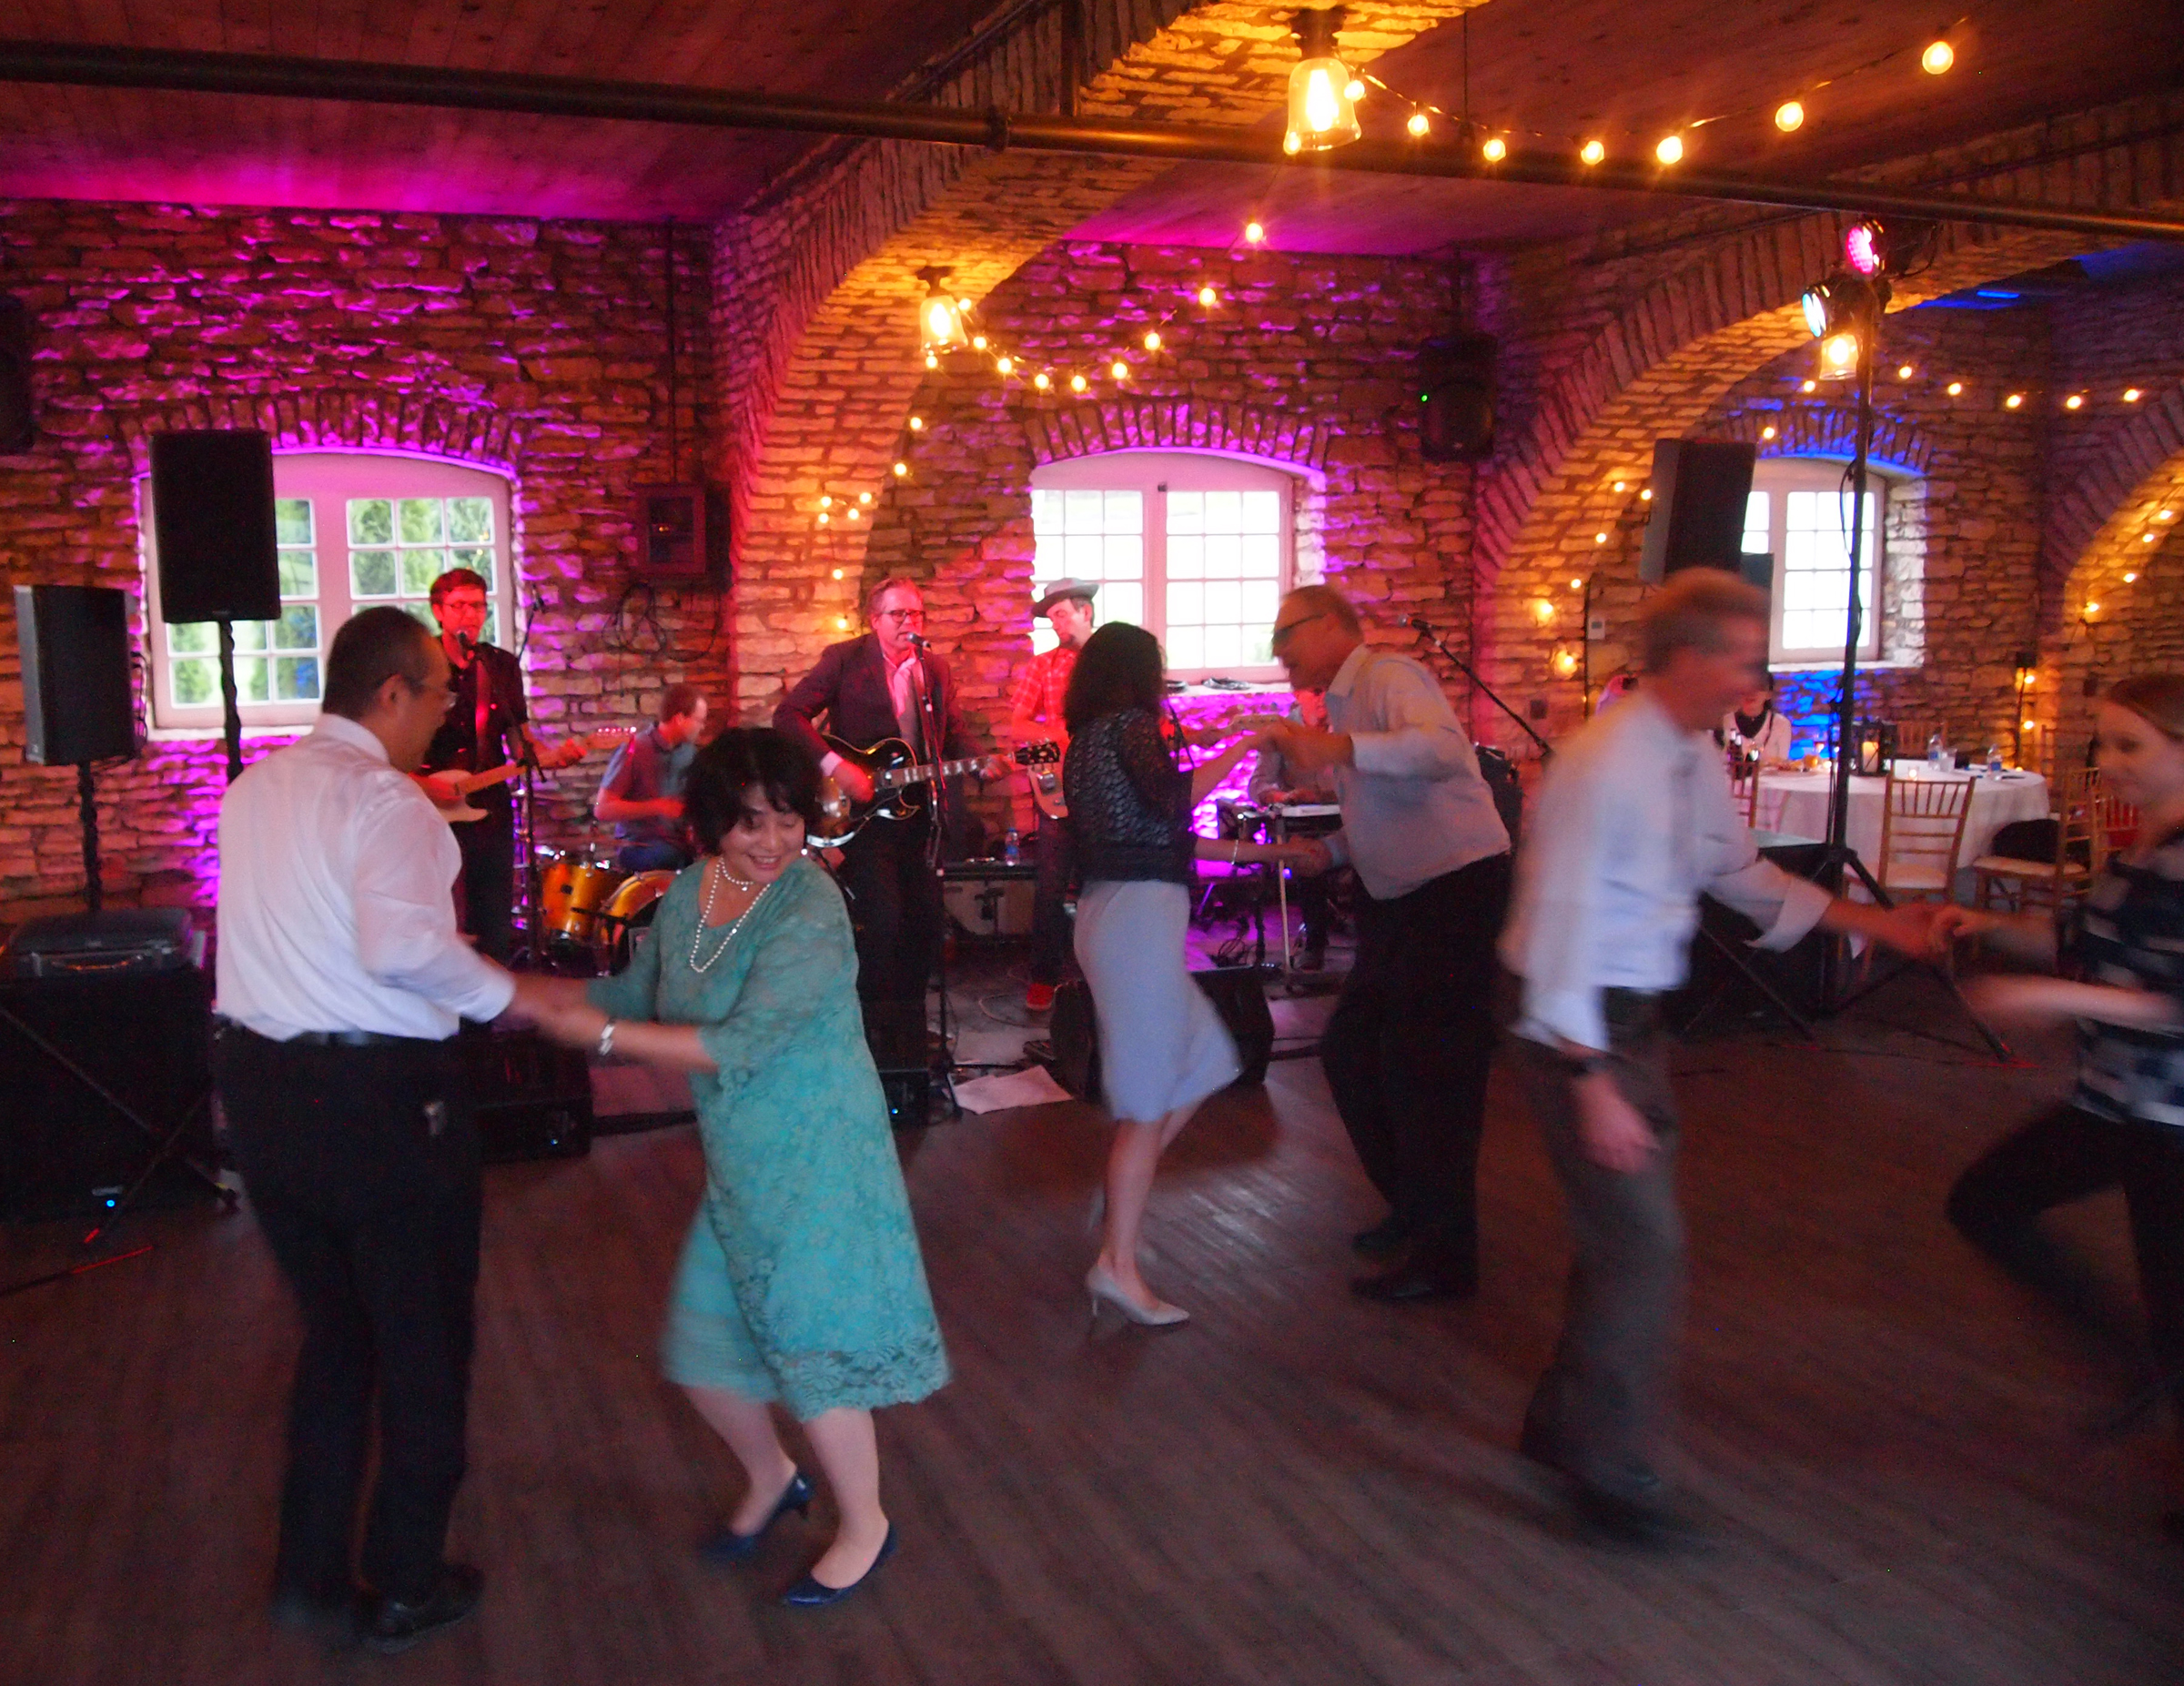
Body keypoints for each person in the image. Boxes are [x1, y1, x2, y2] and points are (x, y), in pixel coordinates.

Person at [1499, 570, 1938, 1548]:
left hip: (1621, 1018)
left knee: (1623, 1240)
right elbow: (1564, 926)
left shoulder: (1688, 752)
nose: (1755, 679)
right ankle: (1608, 1469)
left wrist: (1879, 924)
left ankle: (1563, 1425)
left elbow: (1734, 872)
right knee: (1644, 1246)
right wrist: (1591, 1079)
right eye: (1741, 659)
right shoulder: (1604, 764)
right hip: (1575, 1023)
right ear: (1689, 657)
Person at [525, 728, 949, 1604]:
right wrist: (541, 997)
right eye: (752, 821)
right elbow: (637, 994)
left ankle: (866, 1523)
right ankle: (772, 1477)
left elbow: (739, 1042)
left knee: (810, 1349)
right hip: (742, 1158)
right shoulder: (690, 891)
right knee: (702, 1351)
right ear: (714, 821)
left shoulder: (809, 905)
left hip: (820, 1153)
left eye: (789, 820)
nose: (773, 840)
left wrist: (602, 1034)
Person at [214, 607, 552, 1652]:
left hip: (259, 1093)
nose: (447, 714)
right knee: (423, 1343)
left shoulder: (251, 789)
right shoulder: (386, 800)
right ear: (393, 691)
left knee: (337, 1335)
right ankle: (406, 1578)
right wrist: (515, 994)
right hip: (378, 1104)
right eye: (440, 694)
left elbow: (313, 932)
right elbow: (403, 949)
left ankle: (310, 1576)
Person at [1936, 673, 2184, 1543]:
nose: (2110, 762)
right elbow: (2085, 939)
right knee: (1985, 1202)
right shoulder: (2143, 847)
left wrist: (2050, 998)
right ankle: (2139, 1366)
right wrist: (1986, 925)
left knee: (2175, 1304)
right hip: (2114, 1101)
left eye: (2131, 745)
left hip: (2170, 1116)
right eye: (2104, 743)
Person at [1267, 585, 1513, 1303]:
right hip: (1402, 898)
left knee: (1431, 1075)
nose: (1278, 651)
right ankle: (1418, 1209)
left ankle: (1446, 1255)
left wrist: (1337, 747)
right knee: (1352, 1051)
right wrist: (1333, 850)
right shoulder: (1346, 701)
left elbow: (1440, 751)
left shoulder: (1389, 676)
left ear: (1332, 624)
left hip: (1453, 891)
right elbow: (1387, 803)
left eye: (1286, 634)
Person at [1064, 622, 1301, 1326]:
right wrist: (1244, 743)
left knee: (1206, 1059)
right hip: (1136, 924)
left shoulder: (1085, 741)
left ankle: (1120, 1197)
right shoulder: (1130, 728)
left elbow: (1165, 833)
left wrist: (1269, 855)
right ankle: (1116, 1264)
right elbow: (1175, 800)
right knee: (1146, 1104)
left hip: (1113, 914)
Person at [774, 578, 1007, 1007]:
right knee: (882, 923)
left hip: (920, 815)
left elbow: (952, 732)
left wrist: (980, 760)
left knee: (924, 928)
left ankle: (911, 1032)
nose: (908, 622)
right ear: (874, 620)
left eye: (915, 613)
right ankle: (871, 1024)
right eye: (897, 614)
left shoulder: (933, 668)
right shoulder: (845, 659)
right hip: (864, 815)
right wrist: (837, 767)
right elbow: (789, 715)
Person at [414, 568, 588, 963]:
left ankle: (488, 990)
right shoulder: (421, 665)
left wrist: (554, 756)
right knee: (437, 910)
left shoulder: (499, 666)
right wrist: (424, 785)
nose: (470, 615)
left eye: (478, 606)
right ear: (438, 611)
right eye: (459, 606)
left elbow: (519, 739)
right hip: (430, 804)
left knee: (492, 912)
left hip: (490, 803)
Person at [1006, 579, 1098, 1013]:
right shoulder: (1043, 666)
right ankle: (1044, 977)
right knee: (1051, 885)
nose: (1056, 624)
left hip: (1105, 788)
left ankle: (1102, 974)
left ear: (1085, 612)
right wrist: (1058, 733)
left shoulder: (1113, 665)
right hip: (1061, 787)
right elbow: (1018, 726)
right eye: (1052, 618)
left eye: (1061, 614)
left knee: (1103, 883)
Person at [1247, 687, 1339, 971]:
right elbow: (1258, 784)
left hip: (1346, 813)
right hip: (1304, 820)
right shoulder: (1282, 732)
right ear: (1299, 694)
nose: (1324, 698)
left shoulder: (1346, 726)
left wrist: (1323, 794)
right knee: (1306, 853)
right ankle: (1315, 943)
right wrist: (1283, 797)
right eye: (1316, 691)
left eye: (1329, 690)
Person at [594, 683, 709, 872]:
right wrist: (657, 806)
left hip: (677, 843)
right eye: (699, 720)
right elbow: (602, 809)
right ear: (680, 719)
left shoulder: (689, 753)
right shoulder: (636, 749)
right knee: (670, 858)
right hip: (638, 844)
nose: (702, 727)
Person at [1719, 671, 1795, 767]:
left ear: (1769, 694)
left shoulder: (1781, 724)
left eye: (1759, 688)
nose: (1751, 693)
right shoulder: (1724, 722)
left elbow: (1782, 763)